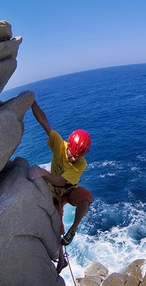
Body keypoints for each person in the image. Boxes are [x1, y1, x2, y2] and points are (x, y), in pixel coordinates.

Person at [28, 100, 93, 274]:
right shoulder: (58, 143)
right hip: (54, 194)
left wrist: (43, 173)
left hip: (68, 190)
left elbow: (61, 182)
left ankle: (74, 229)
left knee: (86, 196)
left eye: (77, 158)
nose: (73, 160)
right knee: (57, 226)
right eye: (72, 155)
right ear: (68, 146)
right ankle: (61, 259)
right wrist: (32, 102)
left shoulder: (82, 163)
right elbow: (43, 120)